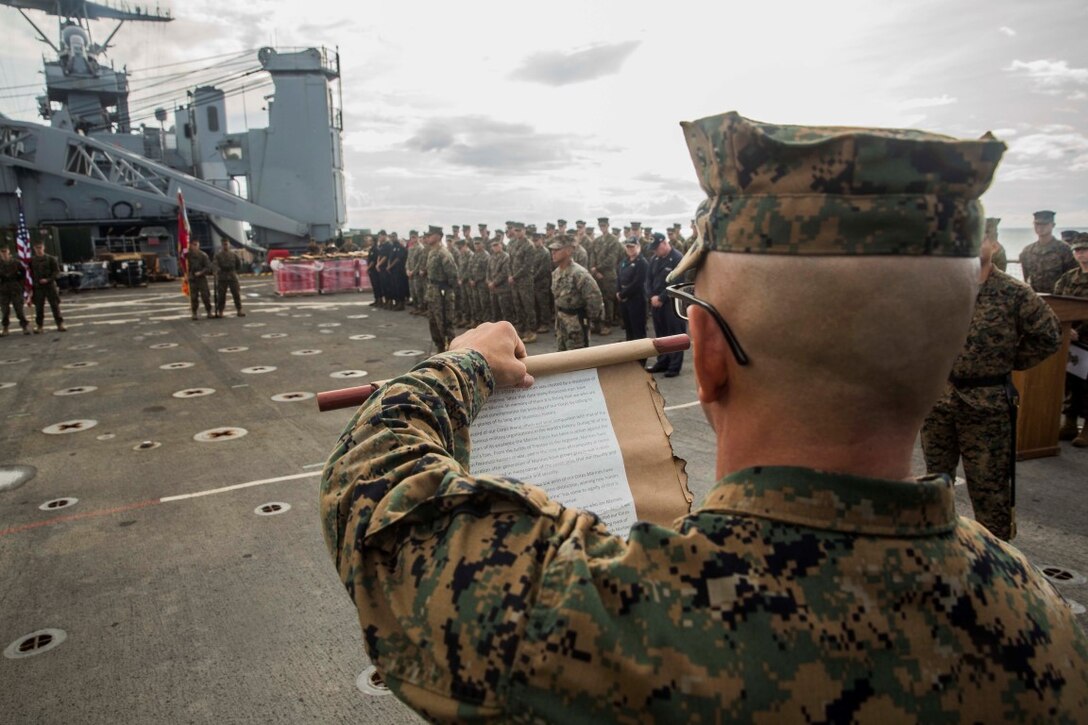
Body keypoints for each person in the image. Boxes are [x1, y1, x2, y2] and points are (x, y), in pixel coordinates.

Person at [319, 112, 1088, 721]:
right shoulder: (1045, 631)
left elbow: (374, 497)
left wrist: (462, 365)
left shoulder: (604, 618)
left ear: (707, 351)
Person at [920, 223, 1061, 541]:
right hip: (940, 401)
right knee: (934, 484)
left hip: (987, 404)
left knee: (989, 488)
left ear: (994, 246)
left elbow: (1049, 334)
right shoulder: (944, 288)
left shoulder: (1013, 292)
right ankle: (936, 548)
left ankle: (994, 563)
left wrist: (1009, 362)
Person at [1055, 233, 1088, 447]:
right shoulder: (1068, 277)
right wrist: (1066, 329)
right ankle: (1069, 423)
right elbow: (1056, 302)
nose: (1080, 254)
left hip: (1086, 339)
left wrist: (1079, 331)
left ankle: (1086, 429)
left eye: (1084, 249)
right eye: (1076, 250)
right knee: (1070, 382)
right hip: (1071, 339)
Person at [549, 235, 603, 351]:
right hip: (561, 323)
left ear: (569, 251)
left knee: (580, 361)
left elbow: (595, 299)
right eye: (552, 250)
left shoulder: (579, 273)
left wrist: (587, 319)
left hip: (576, 324)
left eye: (557, 249)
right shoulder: (556, 273)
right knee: (562, 358)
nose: (553, 253)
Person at [645, 233, 685, 376]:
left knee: (674, 334)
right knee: (661, 335)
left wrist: (661, 298)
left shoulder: (677, 258)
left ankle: (674, 366)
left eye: (656, 248)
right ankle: (662, 362)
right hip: (656, 303)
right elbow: (648, 279)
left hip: (671, 303)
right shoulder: (654, 259)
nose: (655, 251)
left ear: (664, 243)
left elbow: (677, 282)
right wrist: (651, 296)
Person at [1020, 210, 1076, 293]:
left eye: (1044, 224)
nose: (1040, 227)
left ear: (1053, 225)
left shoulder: (1064, 249)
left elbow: (1072, 277)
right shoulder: (1027, 251)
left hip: (1059, 298)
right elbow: (1026, 278)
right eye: (1037, 224)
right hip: (1036, 298)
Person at [423, 226, 459, 352]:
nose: (428, 237)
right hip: (433, 291)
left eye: (430, 235)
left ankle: (451, 351)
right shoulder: (432, 251)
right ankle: (440, 348)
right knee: (433, 322)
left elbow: (453, 274)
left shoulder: (443, 253)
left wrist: (447, 291)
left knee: (445, 322)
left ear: (438, 236)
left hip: (442, 292)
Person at [616, 237, 648, 348]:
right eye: (628, 247)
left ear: (638, 247)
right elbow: (619, 277)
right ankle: (631, 354)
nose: (630, 249)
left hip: (636, 300)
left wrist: (622, 294)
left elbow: (637, 283)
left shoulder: (642, 263)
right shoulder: (625, 261)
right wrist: (618, 291)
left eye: (632, 247)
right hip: (624, 300)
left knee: (638, 331)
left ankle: (641, 358)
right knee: (628, 329)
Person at [29, 241, 65, 333]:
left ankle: (59, 324)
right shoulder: (31, 261)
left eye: (40, 248)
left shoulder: (51, 259)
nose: (39, 250)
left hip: (50, 286)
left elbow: (56, 272)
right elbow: (29, 274)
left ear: (43, 248)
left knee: (55, 306)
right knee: (39, 307)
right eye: (37, 248)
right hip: (38, 287)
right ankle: (39, 326)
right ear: (34, 249)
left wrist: (48, 279)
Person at [0, 246, 30, 335]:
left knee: (19, 309)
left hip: (15, 288)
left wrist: (21, 285)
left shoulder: (16, 263)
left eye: (5, 252)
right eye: (2, 252)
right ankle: (5, 328)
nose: (4, 254)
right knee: (5, 311)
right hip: (3, 289)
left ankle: (24, 326)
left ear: (9, 252)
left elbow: (24, 274)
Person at [212, 239, 245, 317]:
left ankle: (239, 310)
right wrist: (216, 271)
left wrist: (234, 272)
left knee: (236, 294)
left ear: (229, 244)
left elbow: (239, 265)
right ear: (222, 245)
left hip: (232, 276)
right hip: (222, 277)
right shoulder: (218, 255)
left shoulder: (234, 255)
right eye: (224, 244)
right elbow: (214, 264)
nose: (225, 246)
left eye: (226, 244)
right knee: (221, 295)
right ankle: (220, 311)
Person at [185, 239, 213, 321]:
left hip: (201, 279)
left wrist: (201, 272)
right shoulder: (188, 256)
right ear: (190, 245)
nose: (195, 246)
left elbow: (208, 267)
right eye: (193, 245)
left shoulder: (203, 255)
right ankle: (194, 313)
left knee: (205, 296)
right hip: (192, 279)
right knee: (193, 297)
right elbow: (185, 265)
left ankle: (209, 311)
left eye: (196, 245)